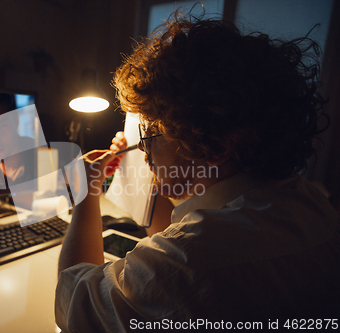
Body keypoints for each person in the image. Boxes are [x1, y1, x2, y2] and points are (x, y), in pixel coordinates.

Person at [55, 14, 340, 332]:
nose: (144, 154)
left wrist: (86, 190)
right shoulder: (314, 206)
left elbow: (72, 306)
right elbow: (181, 228)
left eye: (149, 137)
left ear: (216, 146)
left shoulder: (188, 263)